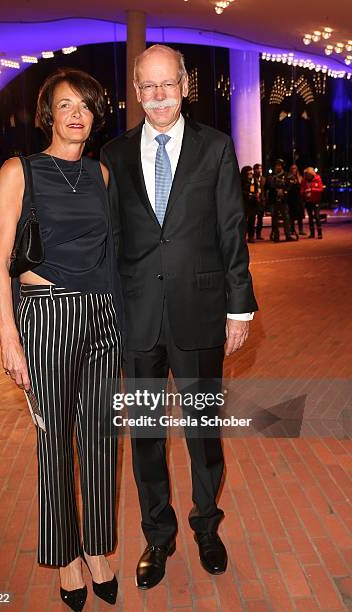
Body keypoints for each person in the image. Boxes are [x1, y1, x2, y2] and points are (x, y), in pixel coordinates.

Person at [101, 44, 258, 590]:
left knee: (203, 433)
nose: (159, 95)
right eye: (148, 86)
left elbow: (230, 231)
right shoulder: (113, 155)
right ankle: (158, 534)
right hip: (137, 320)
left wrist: (239, 309)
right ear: (137, 91)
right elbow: (111, 240)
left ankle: (206, 526)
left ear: (185, 85)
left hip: (200, 315)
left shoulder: (215, 148)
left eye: (168, 83)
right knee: (145, 434)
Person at [0, 68, 124, 612]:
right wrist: (8, 337)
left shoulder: (101, 175)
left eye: (85, 106)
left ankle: (98, 549)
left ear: (94, 117)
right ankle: (66, 557)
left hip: (101, 317)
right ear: (49, 114)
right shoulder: (20, 170)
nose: (76, 114)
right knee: (54, 443)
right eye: (65, 105)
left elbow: (112, 253)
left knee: (99, 441)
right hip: (45, 316)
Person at [265, 159, 295, 242]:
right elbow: (268, 186)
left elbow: (289, 186)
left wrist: (284, 190)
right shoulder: (271, 176)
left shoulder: (286, 175)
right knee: (274, 219)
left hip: (283, 200)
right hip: (274, 200)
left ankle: (288, 235)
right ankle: (276, 236)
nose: (277, 167)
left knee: (286, 218)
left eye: (279, 165)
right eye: (276, 165)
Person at [301, 167, 324, 239]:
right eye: (306, 174)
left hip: (316, 201)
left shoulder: (317, 179)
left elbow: (320, 189)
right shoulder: (304, 181)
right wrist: (304, 192)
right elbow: (302, 190)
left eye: (308, 174)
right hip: (308, 201)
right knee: (310, 217)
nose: (307, 175)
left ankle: (319, 233)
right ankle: (312, 233)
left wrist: (311, 189)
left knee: (317, 217)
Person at [241, 165, 258, 243]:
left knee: (252, 221)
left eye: (251, 172)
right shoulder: (240, 180)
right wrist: (249, 194)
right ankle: (242, 237)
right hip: (244, 204)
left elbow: (256, 189)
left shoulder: (254, 180)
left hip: (252, 204)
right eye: (249, 173)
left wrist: (257, 194)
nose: (251, 174)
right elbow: (239, 191)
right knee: (243, 221)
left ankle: (251, 237)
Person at [287, 164, 305, 236]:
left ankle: (301, 230)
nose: (294, 170)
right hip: (291, 198)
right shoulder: (288, 177)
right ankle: (292, 230)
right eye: (292, 168)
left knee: (300, 215)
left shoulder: (300, 177)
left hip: (299, 198)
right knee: (292, 216)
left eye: (295, 168)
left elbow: (302, 186)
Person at [253, 163, 266, 240]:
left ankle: (258, 234)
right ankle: (251, 235)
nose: (259, 170)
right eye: (258, 168)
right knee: (252, 219)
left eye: (260, 168)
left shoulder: (263, 179)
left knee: (260, 219)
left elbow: (265, 189)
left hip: (262, 201)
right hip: (254, 201)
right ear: (254, 170)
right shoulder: (252, 178)